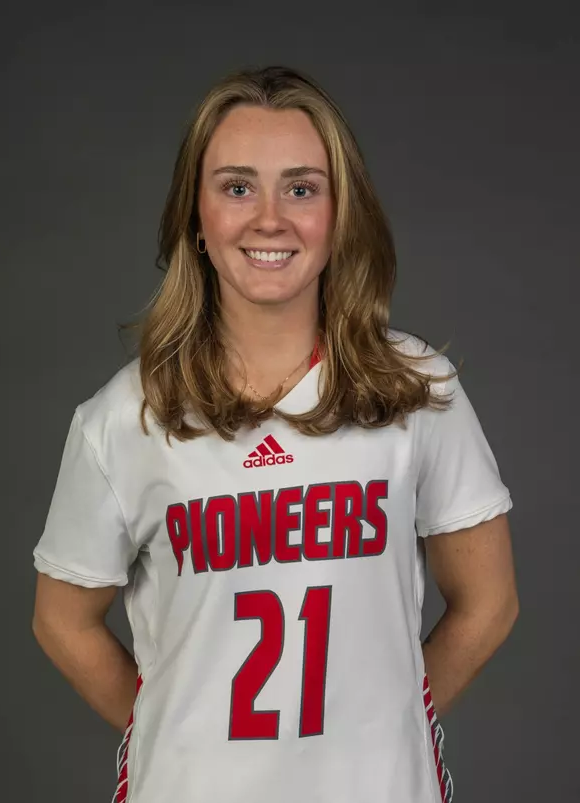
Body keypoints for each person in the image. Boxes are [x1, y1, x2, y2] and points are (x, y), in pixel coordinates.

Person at [32, 65, 519, 803]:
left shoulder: (414, 388)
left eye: (300, 188)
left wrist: (381, 726)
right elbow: (60, 620)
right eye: (235, 187)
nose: (269, 218)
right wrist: (176, 727)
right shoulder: (122, 417)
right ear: (195, 216)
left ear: (338, 212)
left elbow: (489, 603)